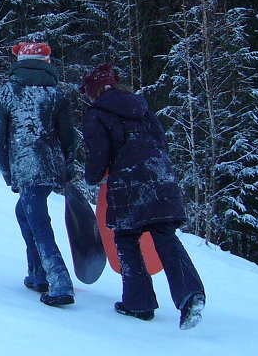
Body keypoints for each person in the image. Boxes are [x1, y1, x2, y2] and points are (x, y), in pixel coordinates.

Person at [80, 64, 206, 329]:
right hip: (160, 175)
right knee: (165, 235)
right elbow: (161, 140)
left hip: (128, 181)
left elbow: (98, 153)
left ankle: (139, 304)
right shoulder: (142, 106)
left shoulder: (97, 113)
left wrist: (91, 177)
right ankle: (190, 294)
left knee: (125, 238)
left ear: (94, 92)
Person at [0, 42, 79, 306]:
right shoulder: (56, 93)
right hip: (51, 164)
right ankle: (38, 274)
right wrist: (67, 168)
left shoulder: (6, 91)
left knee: (38, 222)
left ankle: (60, 283)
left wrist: (7, 171)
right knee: (25, 213)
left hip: (26, 165)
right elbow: (68, 137)